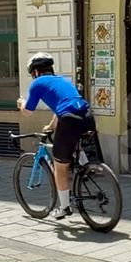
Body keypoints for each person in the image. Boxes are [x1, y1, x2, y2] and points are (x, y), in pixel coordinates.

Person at [17, 53, 103, 220]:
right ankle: (86, 168)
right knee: (73, 143)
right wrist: (51, 126)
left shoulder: (37, 83)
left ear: (35, 72)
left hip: (69, 120)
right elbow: (62, 107)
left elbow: (28, 112)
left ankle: (64, 208)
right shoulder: (63, 80)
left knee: (60, 167)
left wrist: (21, 104)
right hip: (87, 117)